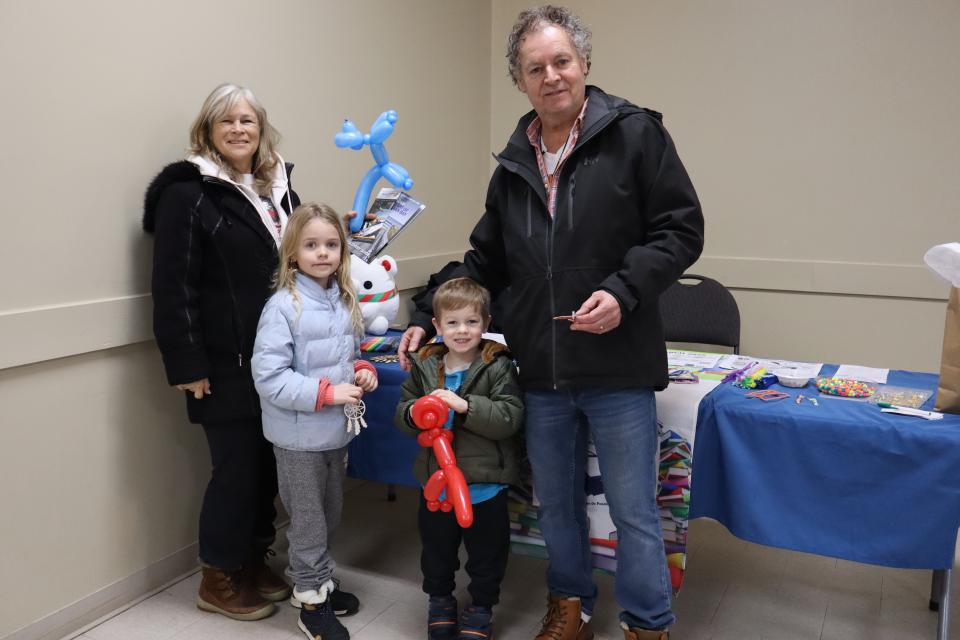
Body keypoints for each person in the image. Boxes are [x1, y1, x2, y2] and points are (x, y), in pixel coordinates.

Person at [398, 6, 704, 640]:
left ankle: (649, 624)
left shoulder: (637, 135)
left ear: (584, 65)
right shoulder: (513, 166)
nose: (552, 76)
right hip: (539, 370)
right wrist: (429, 312)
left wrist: (624, 291)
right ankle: (571, 605)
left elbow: (680, 229)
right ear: (521, 80)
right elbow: (484, 261)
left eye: (562, 61)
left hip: (618, 365)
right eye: (535, 67)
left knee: (634, 511)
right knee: (556, 506)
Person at [144, 83, 300, 620]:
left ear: (262, 131)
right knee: (235, 470)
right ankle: (217, 575)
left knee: (267, 468)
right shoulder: (188, 194)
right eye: (226, 122)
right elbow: (173, 285)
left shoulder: (277, 189)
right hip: (223, 362)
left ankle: (251, 561)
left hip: (276, 360)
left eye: (248, 121)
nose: (238, 130)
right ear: (207, 132)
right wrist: (187, 364)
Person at [252, 202, 377, 640]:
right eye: (311, 245)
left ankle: (319, 580)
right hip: (297, 437)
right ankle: (309, 600)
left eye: (331, 245)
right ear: (292, 253)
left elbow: (347, 358)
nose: (322, 253)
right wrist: (326, 394)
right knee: (307, 520)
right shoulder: (283, 306)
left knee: (329, 513)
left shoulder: (342, 302)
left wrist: (363, 372)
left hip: (332, 433)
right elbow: (269, 377)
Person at [394, 277, 524, 640]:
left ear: (486, 324)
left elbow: (510, 418)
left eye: (472, 322)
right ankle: (440, 600)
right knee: (436, 551)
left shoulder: (496, 365)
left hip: (484, 485)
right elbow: (401, 413)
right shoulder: (424, 365)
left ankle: (481, 606)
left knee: (487, 555)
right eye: (452, 323)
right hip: (436, 488)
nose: (462, 331)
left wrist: (466, 407)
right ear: (437, 327)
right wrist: (416, 411)